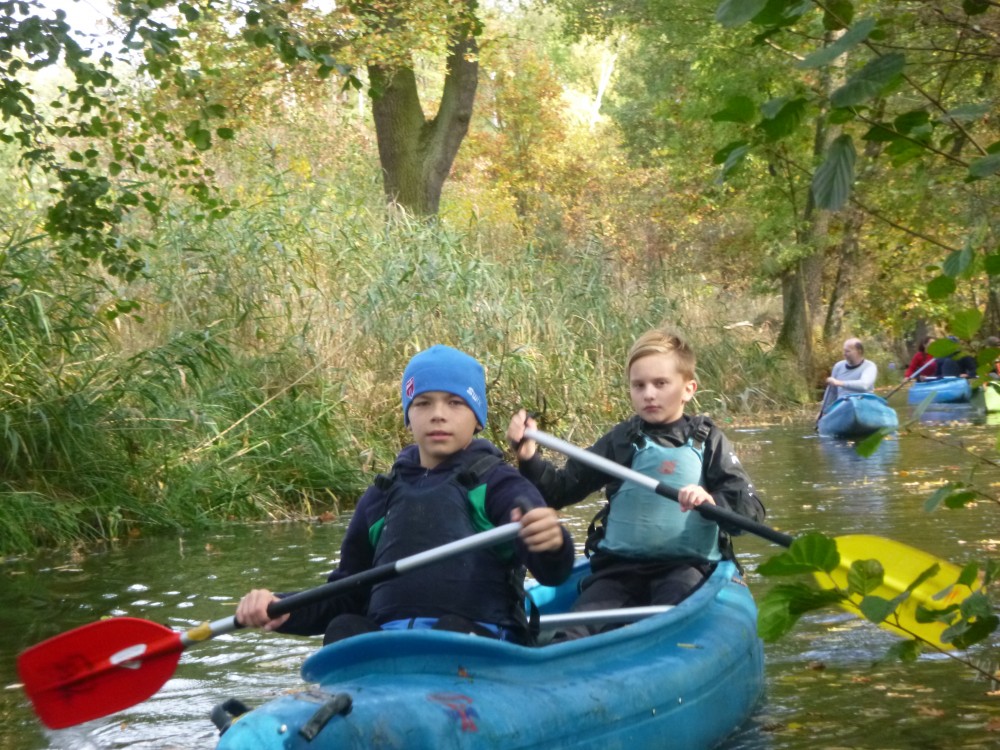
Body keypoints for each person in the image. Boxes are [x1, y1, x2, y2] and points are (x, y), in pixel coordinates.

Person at [236, 345, 574, 645]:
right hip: (393, 648)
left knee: (451, 631)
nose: (438, 414)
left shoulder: (500, 484)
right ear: (409, 417)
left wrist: (552, 543)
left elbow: (552, 573)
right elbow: (345, 595)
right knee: (344, 628)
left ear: (477, 419)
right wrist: (283, 609)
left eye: (455, 402)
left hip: (475, 641)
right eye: (423, 403)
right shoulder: (379, 498)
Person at [506, 328, 765, 640]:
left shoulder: (709, 441)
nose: (649, 394)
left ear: (688, 389)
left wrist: (712, 501)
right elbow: (559, 491)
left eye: (660, 383)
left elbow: (751, 509)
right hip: (619, 571)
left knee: (668, 629)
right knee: (570, 634)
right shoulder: (621, 441)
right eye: (639, 385)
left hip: (685, 568)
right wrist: (528, 456)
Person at [817, 337, 877, 420]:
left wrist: (840, 383)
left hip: (863, 404)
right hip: (842, 406)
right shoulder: (838, 366)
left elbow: (864, 385)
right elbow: (831, 392)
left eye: (847, 351)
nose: (844, 354)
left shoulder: (869, 366)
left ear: (859, 351)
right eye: (844, 351)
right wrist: (824, 411)